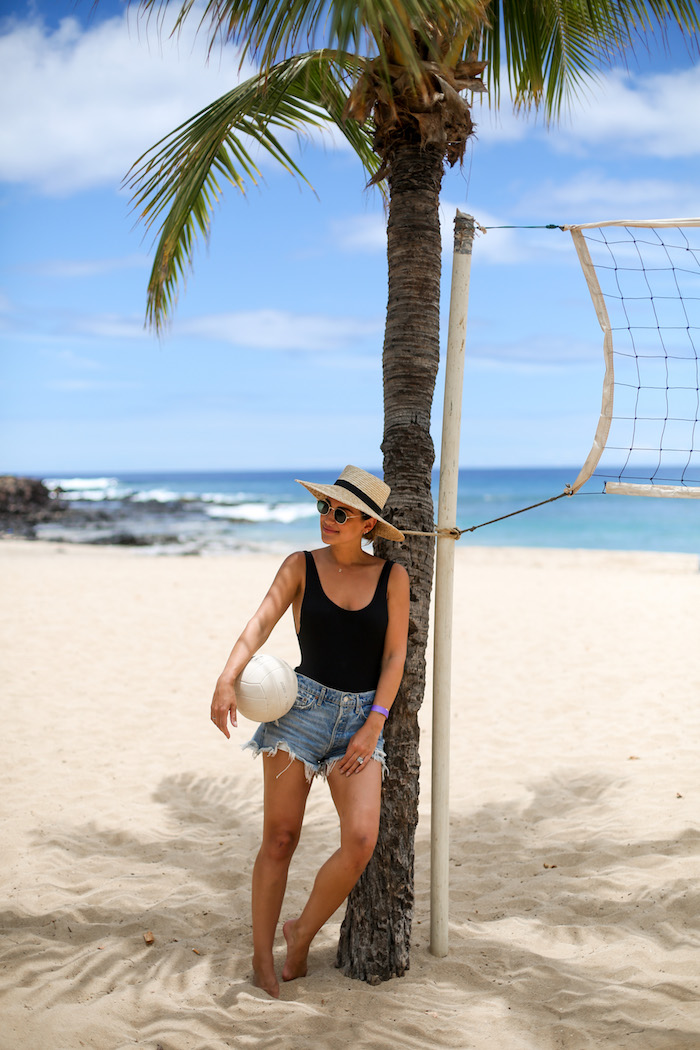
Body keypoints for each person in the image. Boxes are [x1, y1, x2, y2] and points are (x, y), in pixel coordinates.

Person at [210, 465, 410, 998]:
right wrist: (227, 678)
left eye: (341, 512)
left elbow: (395, 656)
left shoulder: (393, 577)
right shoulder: (299, 565)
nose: (329, 518)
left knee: (362, 839)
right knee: (280, 839)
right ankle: (262, 959)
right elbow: (259, 623)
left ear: (367, 524)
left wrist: (374, 725)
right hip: (300, 713)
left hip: (361, 723)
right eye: (324, 507)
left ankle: (300, 935)